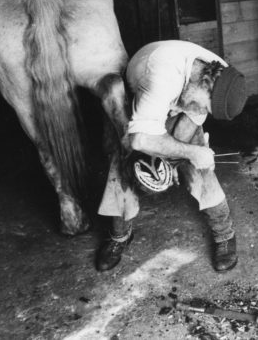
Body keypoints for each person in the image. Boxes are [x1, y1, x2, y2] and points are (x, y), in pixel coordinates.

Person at [95, 40, 247, 273]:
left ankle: (224, 233)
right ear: (204, 84)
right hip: (139, 105)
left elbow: (193, 117)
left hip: (175, 100)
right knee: (122, 164)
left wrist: (178, 159)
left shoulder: (220, 74)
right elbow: (140, 139)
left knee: (200, 164)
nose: (203, 112)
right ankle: (120, 235)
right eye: (205, 106)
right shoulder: (161, 75)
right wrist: (181, 154)